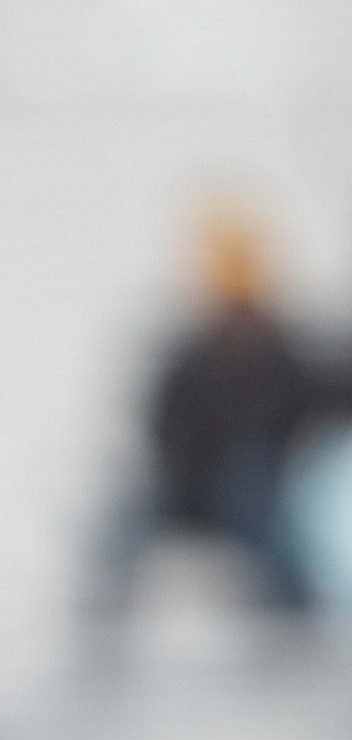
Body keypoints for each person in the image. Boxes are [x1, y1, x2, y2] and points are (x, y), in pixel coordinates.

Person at [93, 201, 321, 630]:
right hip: (186, 492)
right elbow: (159, 431)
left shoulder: (289, 359)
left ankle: (294, 628)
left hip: (254, 499)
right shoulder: (185, 363)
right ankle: (98, 628)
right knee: (120, 515)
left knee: (261, 495)